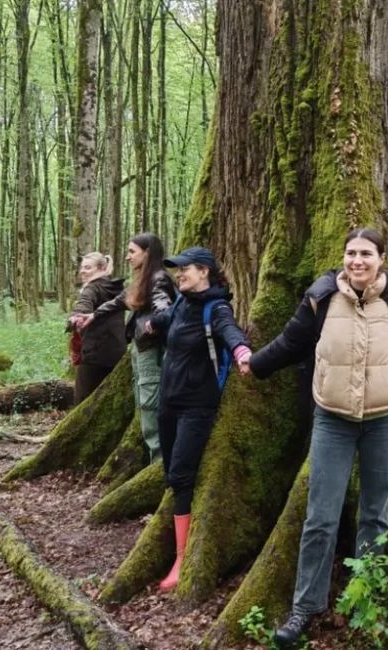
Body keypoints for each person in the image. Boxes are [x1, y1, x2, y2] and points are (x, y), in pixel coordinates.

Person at [248, 228, 388, 646]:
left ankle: (365, 595)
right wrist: (256, 365)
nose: (357, 261)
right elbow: (292, 342)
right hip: (333, 419)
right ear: (342, 258)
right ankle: (305, 607)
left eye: (366, 253)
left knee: (375, 513)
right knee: (320, 517)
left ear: (382, 258)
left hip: (385, 419)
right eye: (351, 253)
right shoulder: (322, 299)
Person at [143, 246, 251, 592]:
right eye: (177, 270)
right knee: (171, 474)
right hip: (169, 403)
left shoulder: (215, 308)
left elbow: (230, 330)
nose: (180, 275)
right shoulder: (181, 303)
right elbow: (165, 322)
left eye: (185, 269)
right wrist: (148, 323)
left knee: (181, 474)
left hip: (197, 406)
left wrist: (241, 351)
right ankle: (178, 542)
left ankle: (182, 557)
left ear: (204, 271)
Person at [78, 233, 176, 462]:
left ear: (147, 252)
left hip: (151, 350)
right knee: (143, 404)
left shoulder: (158, 278)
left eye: (132, 252)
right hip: (140, 348)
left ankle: (160, 464)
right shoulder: (143, 279)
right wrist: (93, 315)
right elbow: (120, 300)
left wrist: (157, 322)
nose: (128, 257)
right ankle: (155, 460)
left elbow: (165, 307)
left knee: (150, 405)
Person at [68, 253, 127, 404]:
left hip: (94, 355)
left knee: (82, 402)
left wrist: (76, 316)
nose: (82, 271)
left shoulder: (91, 288)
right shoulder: (116, 288)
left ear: (101, 268)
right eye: (82, 267)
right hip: (117, 354)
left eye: (87, 267)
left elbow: (84, 303)